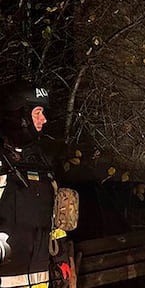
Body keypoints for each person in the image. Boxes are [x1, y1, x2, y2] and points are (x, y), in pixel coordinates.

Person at [0, 80, 70, 288]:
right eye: (37, 112)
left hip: (40, 276)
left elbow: (55, 219)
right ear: (18, 115)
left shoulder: (40, 161)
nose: (44, 119)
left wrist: (61, 258)